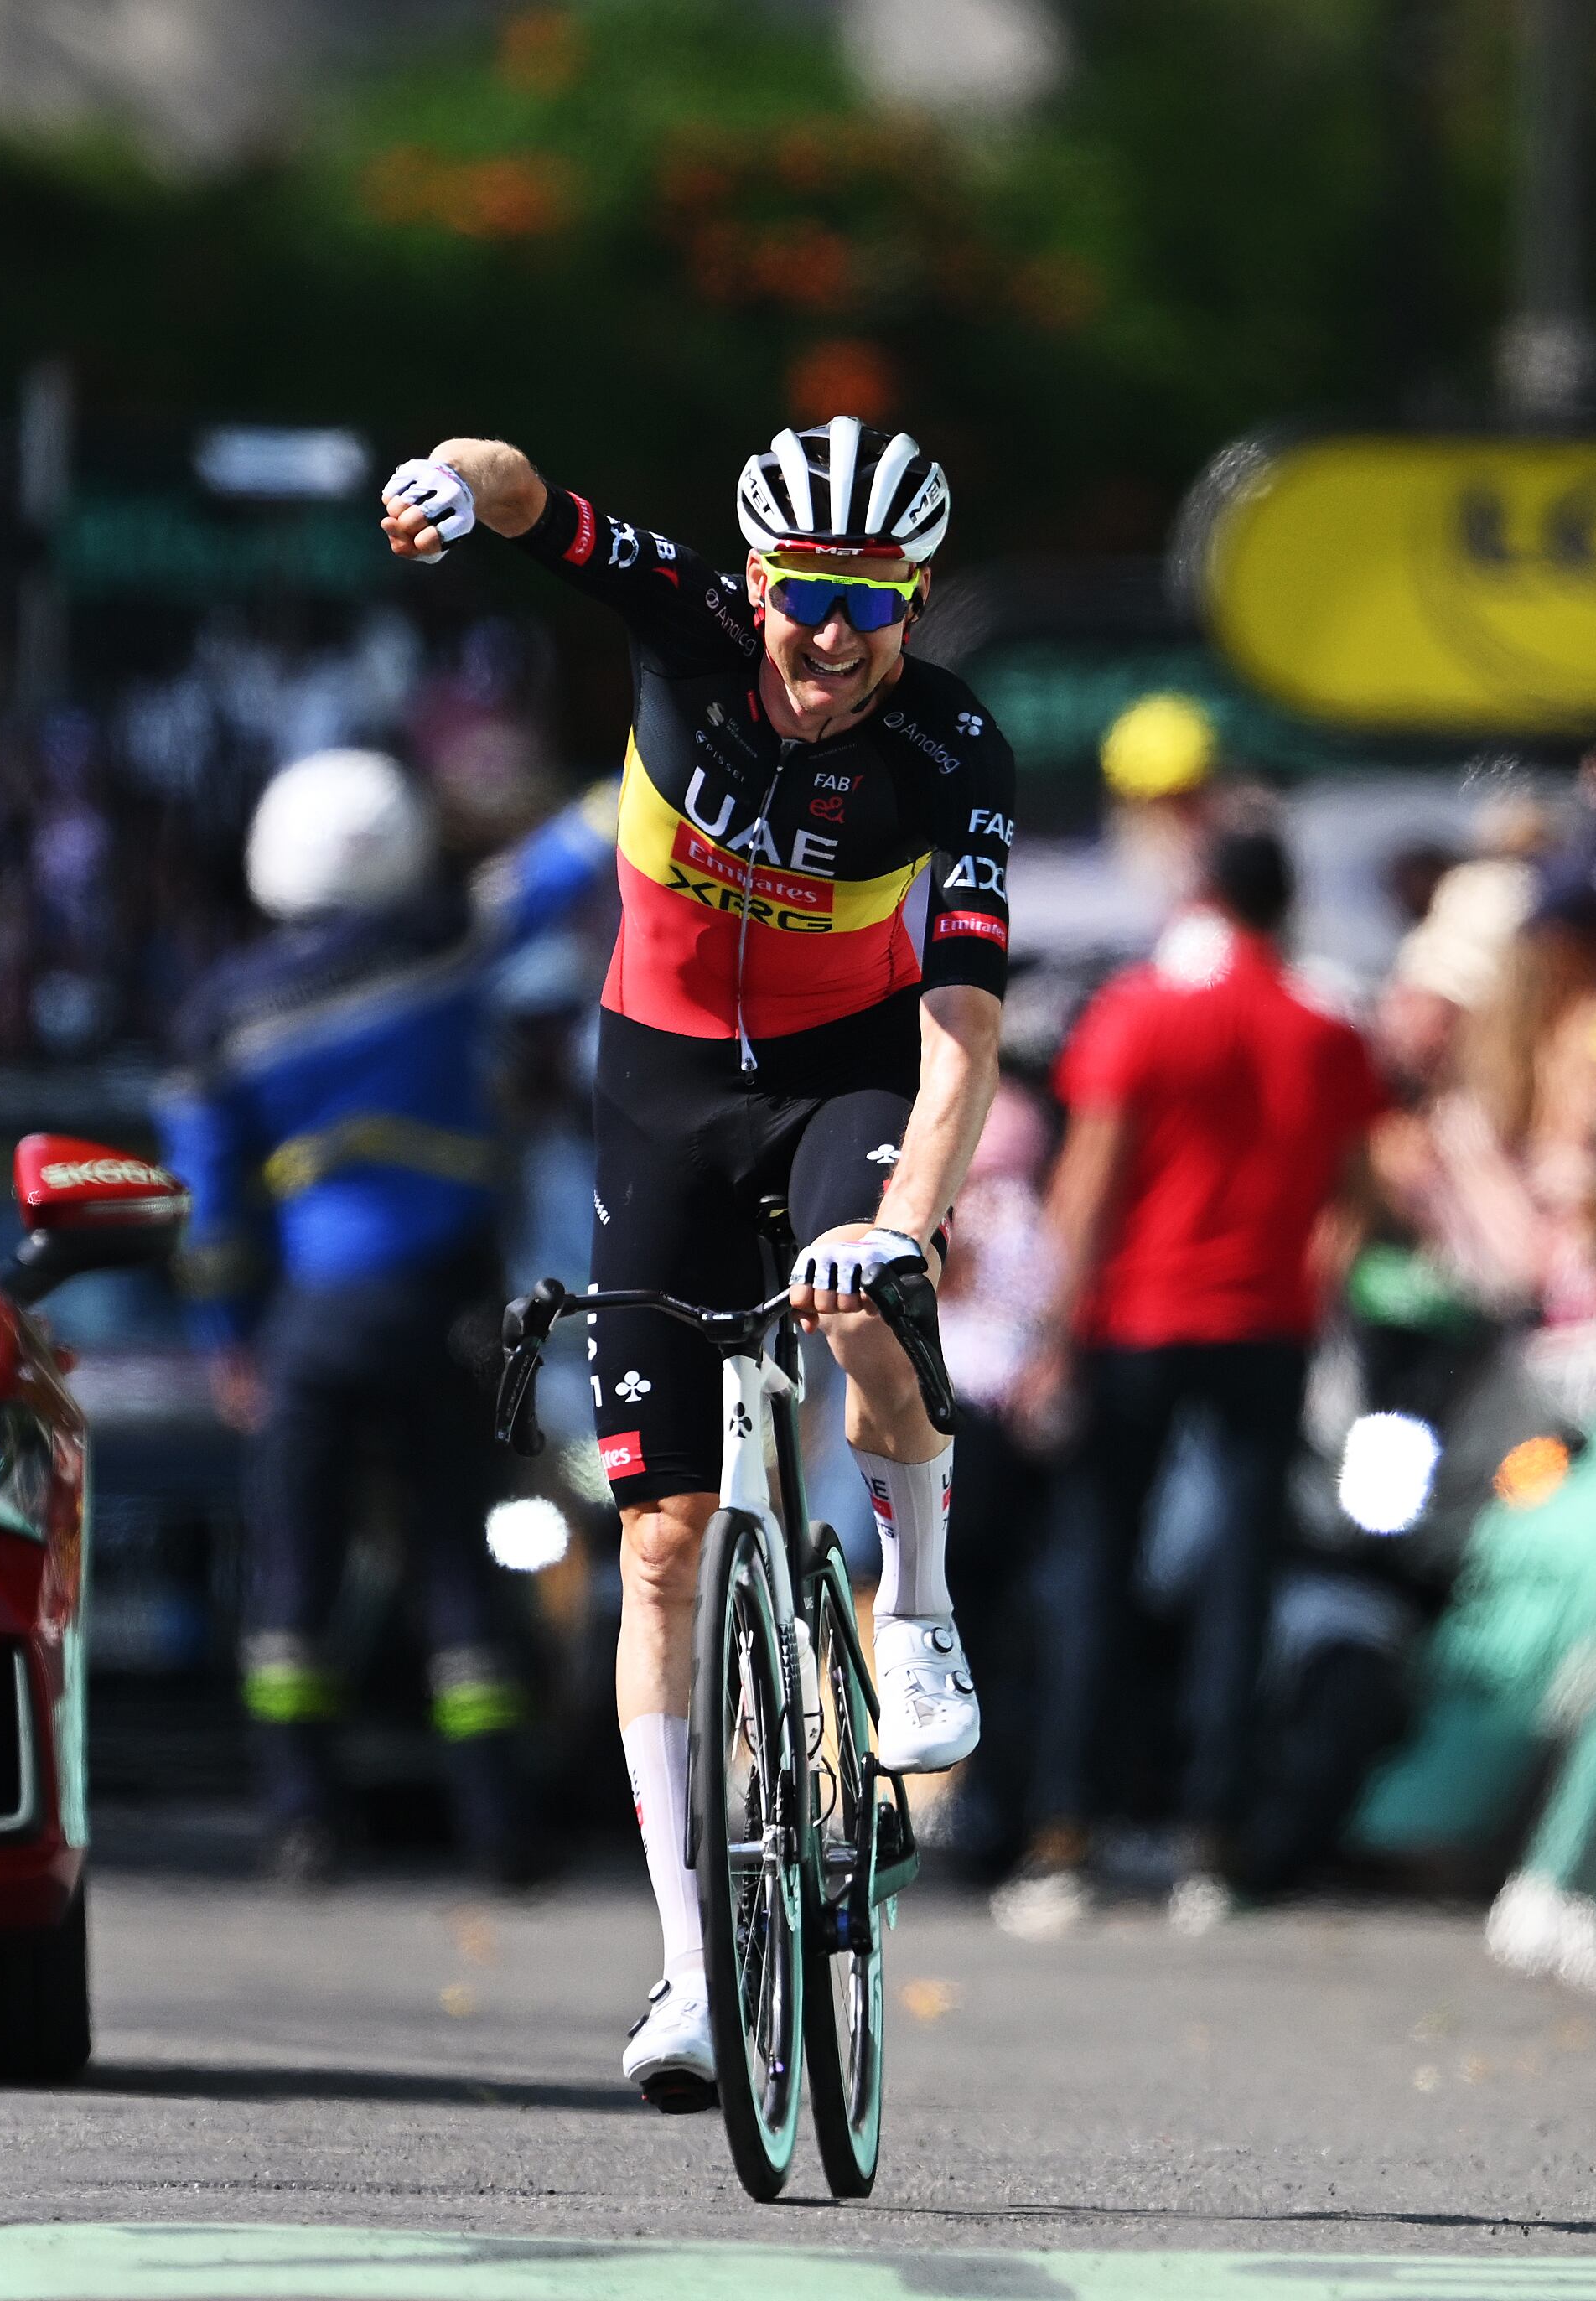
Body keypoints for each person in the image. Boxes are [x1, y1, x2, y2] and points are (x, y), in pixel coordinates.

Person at [381, 419, 1015, 2107]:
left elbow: (960, 1034)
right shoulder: (686, 621)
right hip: (657, 1085)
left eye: (873, 605)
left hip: (844, 1078)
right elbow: (529, 496)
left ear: (916, 603)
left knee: (876, 1295)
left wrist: (905, 1217)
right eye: (808, 593)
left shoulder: (956, 749)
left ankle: (918, 1603)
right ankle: (683, 1968)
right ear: (756, 583)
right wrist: (454, 482)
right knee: (658, 1538)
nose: (833, 635)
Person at [154, 748, 604, 1888]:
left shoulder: (221, 1018)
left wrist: (228, 1343)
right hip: (446, 1314)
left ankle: (302, 1819)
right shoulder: (450, 942)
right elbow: (570, 857)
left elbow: (205, 1217)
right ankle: (500, 1829)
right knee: (458, 1568)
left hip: (310, 1327)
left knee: (293, 1580)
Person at [1000, 826, 1383, 1932]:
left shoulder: (1140, 1010)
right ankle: (1213, 1836)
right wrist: (1314, 1280)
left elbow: (1090, 1176)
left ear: (1203, 893)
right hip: (1264, 1322)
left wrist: (1050, 1330)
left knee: (1094, 1571)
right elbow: (1353, 1189)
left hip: (1137, 1315)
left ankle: (1063, 1827)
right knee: (1242, 1580)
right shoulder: (1324, 1023)